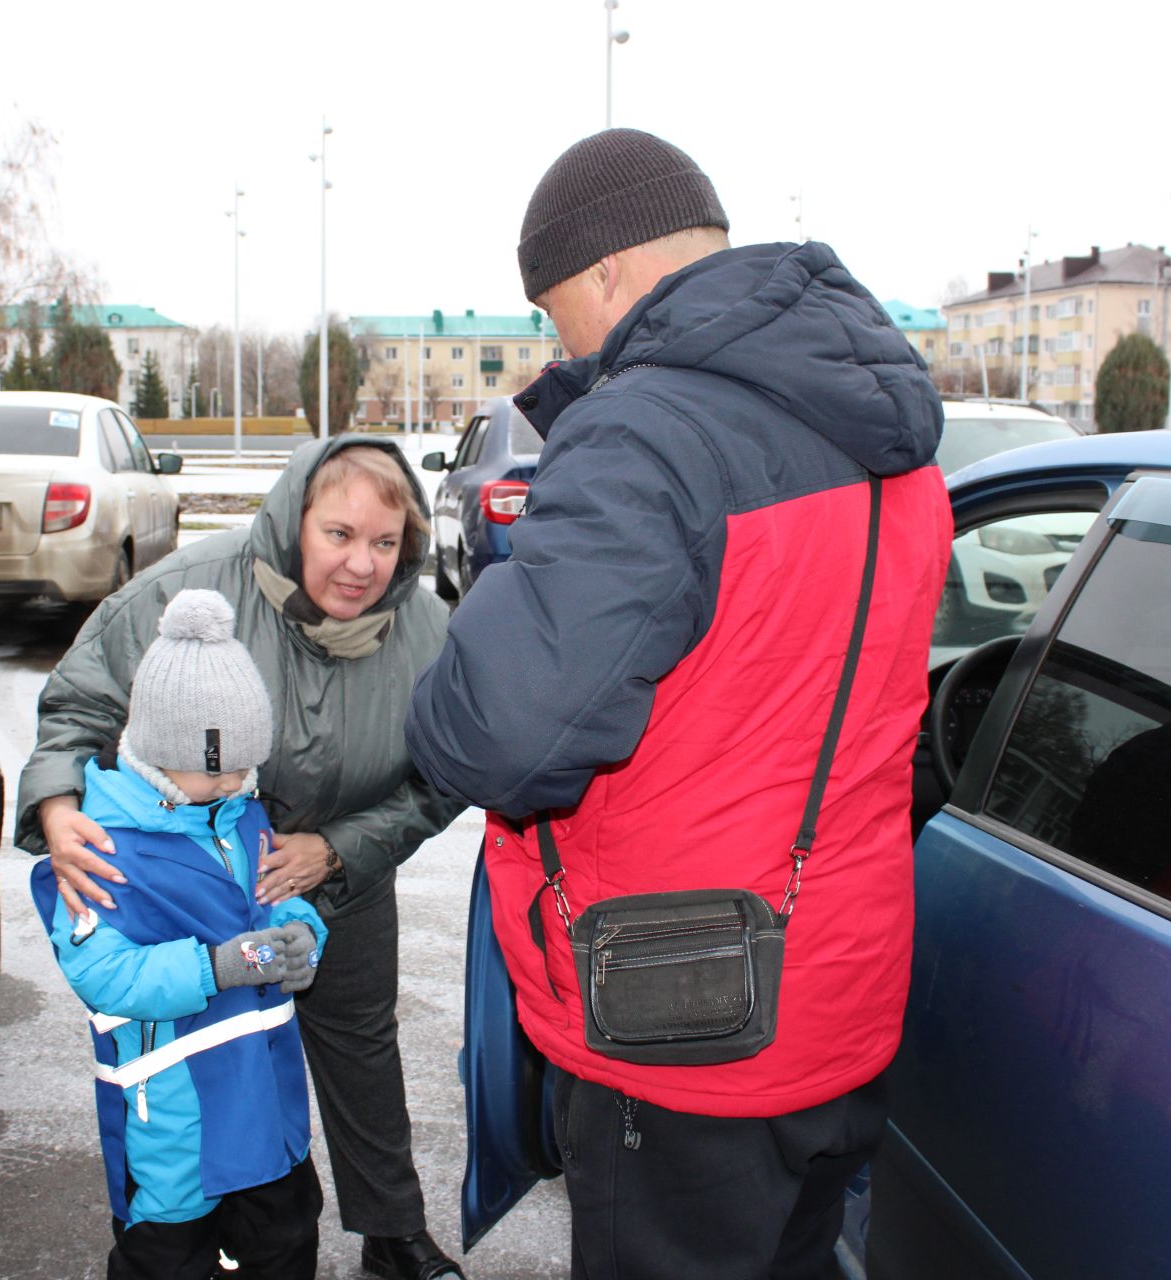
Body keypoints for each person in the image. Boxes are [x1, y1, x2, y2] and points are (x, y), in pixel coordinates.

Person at [405, 129, 952, 1278]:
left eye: (555, 310)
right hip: (839, 998)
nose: (559, 342)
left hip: (685, 1021)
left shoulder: (651, 432)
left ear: (605, 272)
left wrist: (493, 597)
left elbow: (500, 733)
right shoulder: (885, 426)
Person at [19, 435, 468, 1280]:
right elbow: (77, 703)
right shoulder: (187, 590)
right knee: (211, 1054)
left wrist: (336, 853)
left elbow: (448, 779)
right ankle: (190, 1225)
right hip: (195, 875)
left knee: (361, 1048)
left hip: (342, 879)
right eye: (339, 534)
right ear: (294, 520)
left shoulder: (430, 632)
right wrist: (56, 804)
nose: (362, 565)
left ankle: (391, 1229)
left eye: (384, 542)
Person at [32, 588, 328, 1280]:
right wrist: (215, 967)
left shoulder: (241, 817)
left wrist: (301, 940)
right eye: (217, 767)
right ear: (160, 751)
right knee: (168, 1262)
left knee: (286, 1243)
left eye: (244, 767)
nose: (235, 782)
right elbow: (103, 974)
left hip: (267, 1108)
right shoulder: (99, 850)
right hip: (172, 1124)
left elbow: (277, 907)